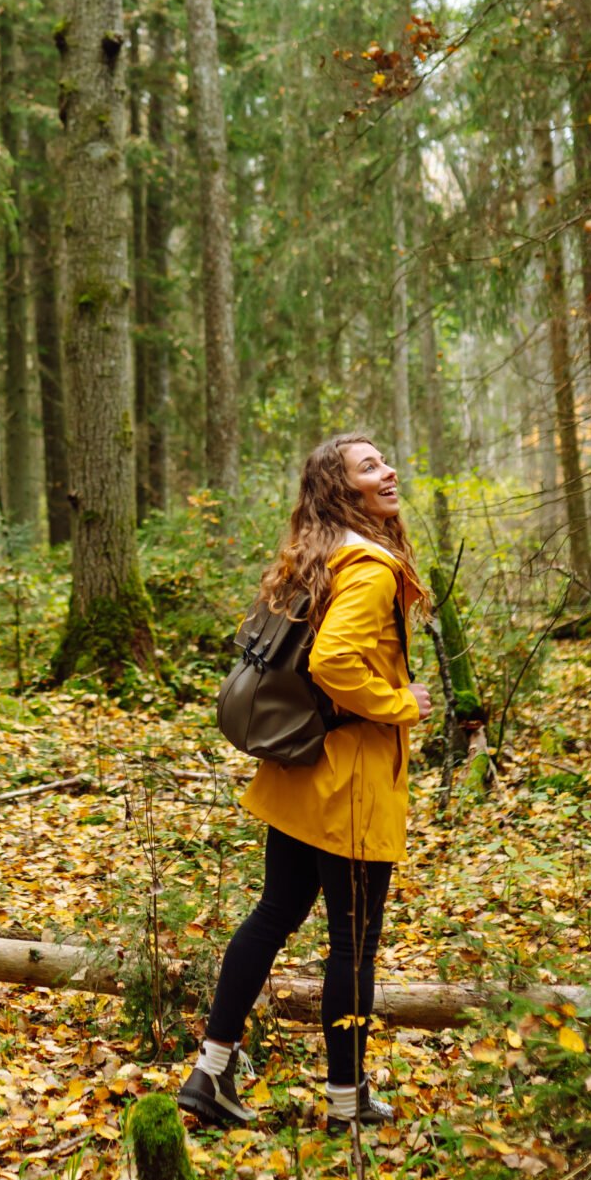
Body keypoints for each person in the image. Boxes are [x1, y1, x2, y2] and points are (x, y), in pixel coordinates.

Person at [176, 432, 430, 1133]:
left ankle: (210, 1071)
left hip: (298, 775)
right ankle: (348, 1106)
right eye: (370, 465)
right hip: (345, 781)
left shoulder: (319, 557)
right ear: (340, 488)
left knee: (272, 915)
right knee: (352, 946)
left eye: (385, 458)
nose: (389, 469)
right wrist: (400, 702)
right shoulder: (369, 567)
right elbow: (335, 663)